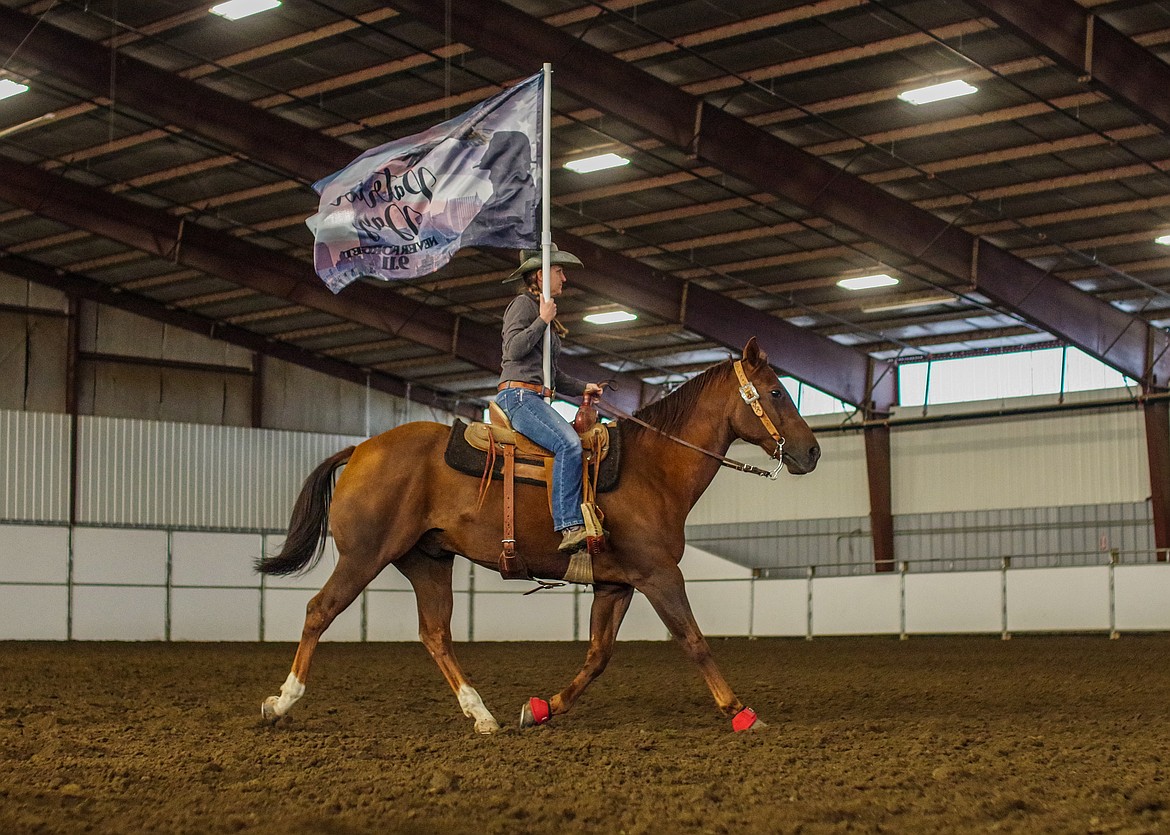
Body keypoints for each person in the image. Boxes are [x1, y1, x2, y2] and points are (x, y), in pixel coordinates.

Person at [497, 244, 604, 554]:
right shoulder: (524, 305)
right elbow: (513, 350)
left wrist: (584, 387)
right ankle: (569, 525)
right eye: (559, 271)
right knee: (568, 443)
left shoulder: (541, 311)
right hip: (518, 396)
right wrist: (542, 320)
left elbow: (551, 375)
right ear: (542, 275)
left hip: (537, 396)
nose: (564, 278)